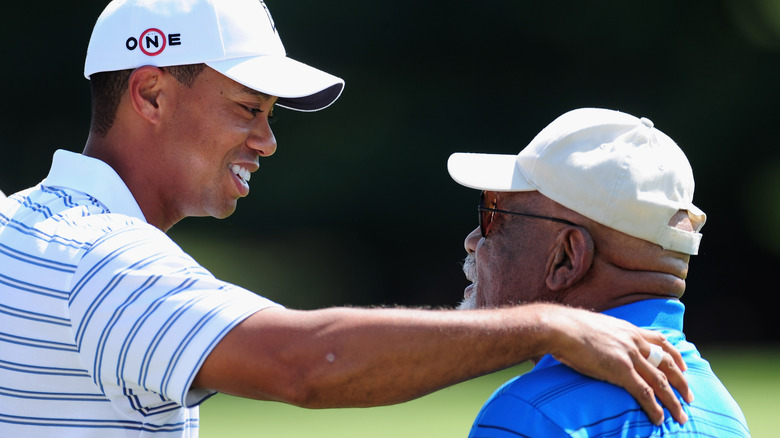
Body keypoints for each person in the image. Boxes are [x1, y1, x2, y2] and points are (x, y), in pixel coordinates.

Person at [0, 1, 691, 436]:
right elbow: (301, 364)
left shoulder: (21, 227)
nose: (267, 141)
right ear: (150, 93)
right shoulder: (100, 257)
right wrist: (548, 324)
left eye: (269, 116)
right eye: (248, 108)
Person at [448, 107, 750, 437]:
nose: (473, 240)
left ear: (567, 256)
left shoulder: (527, 414)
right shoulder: (722, 410)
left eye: (493, 214)